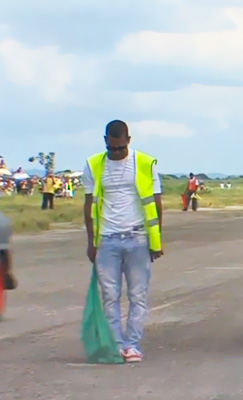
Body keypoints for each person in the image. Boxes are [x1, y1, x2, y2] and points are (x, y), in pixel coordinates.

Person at [82, 119, 163, 363]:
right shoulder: (93, 165)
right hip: (107, 240)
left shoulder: (146, 164)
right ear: (106, 141)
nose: (116, 153)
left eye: (121, 148)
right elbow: (88, 206)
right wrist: (90, 242)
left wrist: (156, 241)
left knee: (138, 296)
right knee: (110, 295)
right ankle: (117, 345)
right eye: (112, 148)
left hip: (138, 238)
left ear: (129, 140)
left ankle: (133, 345)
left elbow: (156, 203)